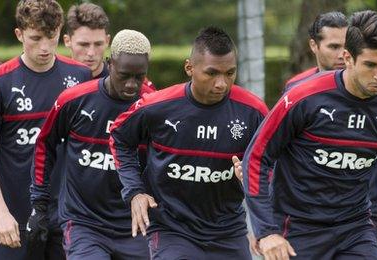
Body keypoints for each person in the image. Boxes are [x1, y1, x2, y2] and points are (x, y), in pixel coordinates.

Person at [243, 10, 377, 260]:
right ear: (348, 58)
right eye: (370, 65)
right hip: (298, 228)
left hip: (356, 229)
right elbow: (257, 158)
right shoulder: (302, 98)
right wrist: (266, 231)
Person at [110, 27, 269, 259]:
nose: (221, 84)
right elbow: (120, 137)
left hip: (227, 231)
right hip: (171, 229)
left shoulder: (253, 111)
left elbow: (274, 160)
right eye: (212, 73)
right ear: (189, 68)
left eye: (230, 73)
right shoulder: (157, 106)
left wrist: (254, 175)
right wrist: (135, 192)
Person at [284, 11, 377, 258]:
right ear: (313, 46)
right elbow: (277, 152)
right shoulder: (296, 91)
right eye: (333, 46)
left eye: (345, 46)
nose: (340, 54)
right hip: (305, 222)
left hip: (361, 217)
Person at [0, 0, 91, 259]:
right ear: (19, 34)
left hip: (69, 215)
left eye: (51, 36)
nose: (45, 47)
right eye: (35, 38)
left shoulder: (82, 77)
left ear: (60, 31)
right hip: (15, 214)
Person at [30, 29, 153, 260]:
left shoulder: (152, 104)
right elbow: (45, 145)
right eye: (124, 75)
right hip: (83, 223)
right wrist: (39, 203)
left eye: (139, 77)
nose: (131, 85)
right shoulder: (74, 100)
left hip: (135, 224)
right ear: (110, 63)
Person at [63, 3, 110, 79]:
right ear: (67, 41)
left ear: (107, 41)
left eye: (98, 44)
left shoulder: (119, 84)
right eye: (84, 44)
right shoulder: (54, 80)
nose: (91, 53)